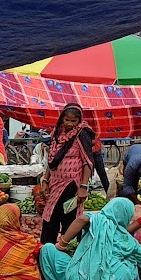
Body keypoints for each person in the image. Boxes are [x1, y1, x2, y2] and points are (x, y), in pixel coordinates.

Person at [39, 197, 141, 280]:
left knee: (47, 250)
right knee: (129, 265)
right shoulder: (131, 242)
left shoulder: (97, 221)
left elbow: (82, 219)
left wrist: (62, 244)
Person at [39, 104, 94, 245]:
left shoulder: (82, 133)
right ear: (62, 119)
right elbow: (52, 160)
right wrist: (45, 180)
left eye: (73, 121)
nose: (69, 124)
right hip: (54, 184)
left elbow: (87, 161)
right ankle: (47, 251)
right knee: (50, 217)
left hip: (72, 184)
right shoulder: (57, 133)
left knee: (69, 220)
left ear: (79, 120)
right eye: (67, 120)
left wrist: (83, 186)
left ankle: (68, 253)